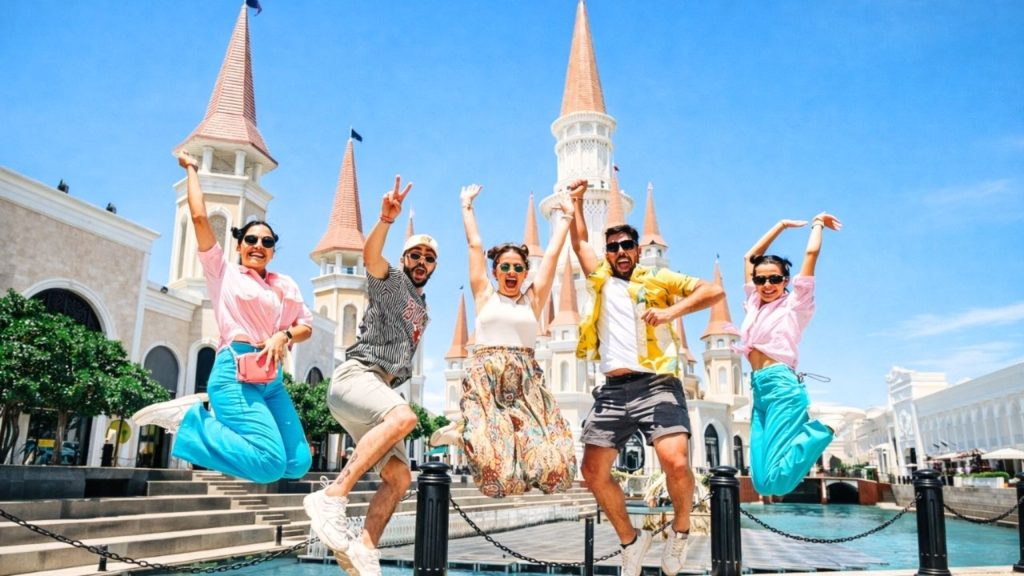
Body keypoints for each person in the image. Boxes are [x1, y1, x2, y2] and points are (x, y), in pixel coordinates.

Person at [567, 181, 723, 576]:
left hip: (657, 382)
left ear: (637, 250)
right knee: (592, 472)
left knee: (675, 461)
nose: (620, 252)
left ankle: (681, 531)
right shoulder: (599, 278)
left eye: (626, 246)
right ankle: (631, 540)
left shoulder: (658, 279)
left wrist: (671, 314)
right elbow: (579, 240)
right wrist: (577, 202)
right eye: (614, 247)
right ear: (608, 253)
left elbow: (713, 291)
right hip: (613, 389)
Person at [132, 151, 313, 484]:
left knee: (298, 463)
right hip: (236, 371)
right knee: (270, 465)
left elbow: (305, 327)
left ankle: (204, 429)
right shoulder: (224, 273)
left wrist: (283, 336)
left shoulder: (283, 284)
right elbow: (200, 218)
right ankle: (189, 420)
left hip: (270, 379)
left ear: (273, 249)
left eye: (267, 241)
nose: (259, 245)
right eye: (251, 239)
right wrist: (191, 170)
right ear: (239, 245)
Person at [303, 176, 431, 576]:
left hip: (376, 392)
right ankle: (332, 495)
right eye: (415, 255)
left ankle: (364, 547)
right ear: (405, 259)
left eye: (429, 258)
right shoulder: (390, 280)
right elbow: (371, 255)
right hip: (356, 376)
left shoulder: (422, 311)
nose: (421, 262)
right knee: (405, 417)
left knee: (400, 477)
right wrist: (385, 220)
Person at [431, 182, 579, 497]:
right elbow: (474, 245)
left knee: (555, 463)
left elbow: (552, 256)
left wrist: (566, 218)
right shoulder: (485, 296)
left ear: (526, 273)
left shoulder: (533, 300)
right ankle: (465, 433)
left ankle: (466, 433)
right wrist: (466, 207)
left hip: (524, 384)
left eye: (518, 268)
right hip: (487, 378)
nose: (511, 273)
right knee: (492, 466)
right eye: (505, 267)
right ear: (495, 271)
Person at [733, 213, 842, 497]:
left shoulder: (795, 304)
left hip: (782, 388)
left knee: (778, 483)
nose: (767, 285)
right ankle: (815, 432)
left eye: (775, 279)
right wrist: (780, 226)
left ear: (786, 280)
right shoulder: (755, 303)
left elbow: (811, 253)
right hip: (759, 391)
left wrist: (817, 224)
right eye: (761, 280)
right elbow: (749, 257)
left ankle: (822, 429)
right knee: (760, 482)